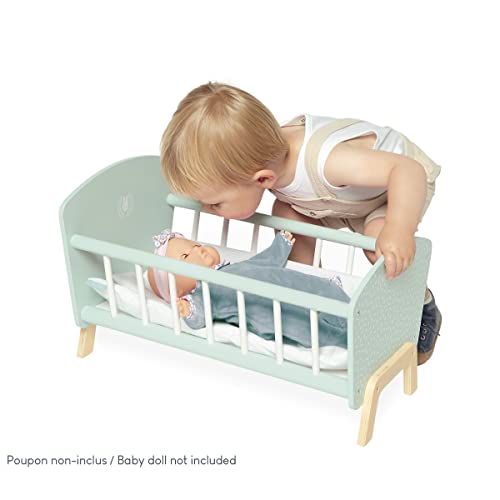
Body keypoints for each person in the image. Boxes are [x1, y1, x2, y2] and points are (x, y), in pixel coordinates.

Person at [159, 81, 442, 365]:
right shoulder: (261, 156)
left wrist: (399, 228)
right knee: (286, 217)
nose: (207, 211)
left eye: (215, 203)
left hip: (394, 190)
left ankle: (422, 303)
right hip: (336, 198)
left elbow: (407, 170)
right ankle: (310, 300)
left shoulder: (327, 161)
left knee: (378, 246)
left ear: (263, 179)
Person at [147, 229, 350, 349]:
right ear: (179, 291)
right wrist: (188, 310)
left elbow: (264, 261)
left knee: (313, 285)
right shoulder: (204, 292)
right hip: (273, 312)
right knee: (302, 325)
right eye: (185, 256)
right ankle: (344, 338)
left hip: (289, 284)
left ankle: (340, 300)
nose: (198, 250)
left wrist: (280, 245)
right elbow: (200, 317)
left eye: (195, 245)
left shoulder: (234, 267)